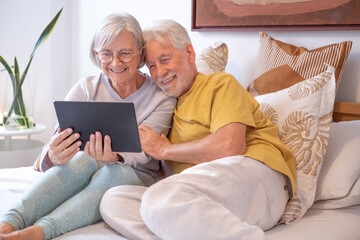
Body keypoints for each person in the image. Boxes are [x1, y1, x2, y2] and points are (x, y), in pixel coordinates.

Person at [100, 19, 297, 240]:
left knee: (162, 197)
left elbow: (230, 146)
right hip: (200, 193)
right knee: (113, 201)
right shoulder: (166, 107)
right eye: (152, 66)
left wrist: (165, 151)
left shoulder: (220, 84)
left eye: (165, 60)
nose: (159, 73)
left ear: (189, 52)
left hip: (259, 174)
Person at [0, 13, 176, 240]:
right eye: (106, 54)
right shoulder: (84, 89)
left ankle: (38, 232)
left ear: (140, 54)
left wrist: (115, 157)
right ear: (96, 55)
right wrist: (52, 155)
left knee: (113, 173)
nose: (115, 62)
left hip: (134, 174)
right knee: (82, 160)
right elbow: (50, 149)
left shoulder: (161, 97)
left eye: (125, 53)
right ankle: (8, 223)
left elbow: (145, 153)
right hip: (84, 165)